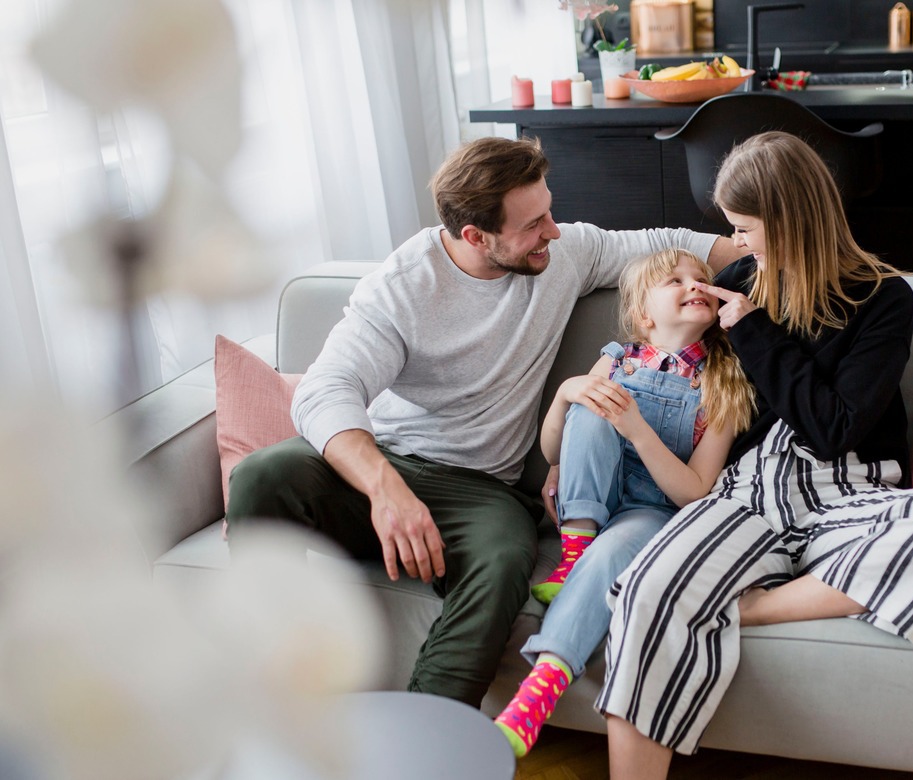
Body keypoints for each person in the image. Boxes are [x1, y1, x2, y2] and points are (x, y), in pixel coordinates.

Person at [224, 136, 738, 709]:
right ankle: (274, 693)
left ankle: (430, 735)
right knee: (262, 475)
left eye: (549, 211)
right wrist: (385, 489)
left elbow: (674, 245)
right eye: (534, 224)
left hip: (481, 491)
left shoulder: (562, 253)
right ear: (475, 236)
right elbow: (326, 388)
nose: (554, 231)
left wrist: (773, 254)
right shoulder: (402, 287)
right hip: (382, 465)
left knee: (503, 562)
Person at [597, 132, 913, 779]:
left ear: (789, 220)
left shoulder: (882, 298)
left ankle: (752, 605)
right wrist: (578, 436)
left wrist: (754, 331)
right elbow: (654, 350)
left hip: (849, 492)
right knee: (648, 588)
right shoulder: (735, 282)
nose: (737, 243)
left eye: (744, 228)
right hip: (749, 490)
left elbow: (834, 428)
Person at [493, 248, 755, 757]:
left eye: (701, 278)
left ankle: (535, 696)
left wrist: (636, 429)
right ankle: (572, 552)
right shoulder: (616, 359)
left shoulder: (724, 384)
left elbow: (694, 491)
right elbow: (555, 453)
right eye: (674, 280)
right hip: (591, 496)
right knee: (593, 405)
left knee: (611, 553)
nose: (695, 284)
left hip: (652, 511)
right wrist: (565, 394)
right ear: (643, 315)